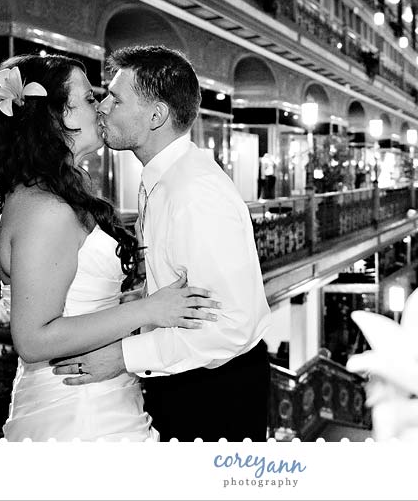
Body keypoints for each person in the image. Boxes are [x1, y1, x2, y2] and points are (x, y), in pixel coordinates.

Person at [0, 54, 217, 442]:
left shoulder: (59, 194)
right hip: (76, 415)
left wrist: (133, 300)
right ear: (59, 116)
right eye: (90, 99)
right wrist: (150, 308)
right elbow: (34, 338)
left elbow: (78, 295)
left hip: (103, 397)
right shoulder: (46, 210)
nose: (102, 107)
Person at [52, 46, 272, 442]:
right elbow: (180, 278)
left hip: (217, 390)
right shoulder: (163, 178)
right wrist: (139, 299)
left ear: (156, 115)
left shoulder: (195, 194)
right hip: (185, 374)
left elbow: (232, 325)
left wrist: (121, 358)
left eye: (115, 98)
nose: (102, 106)